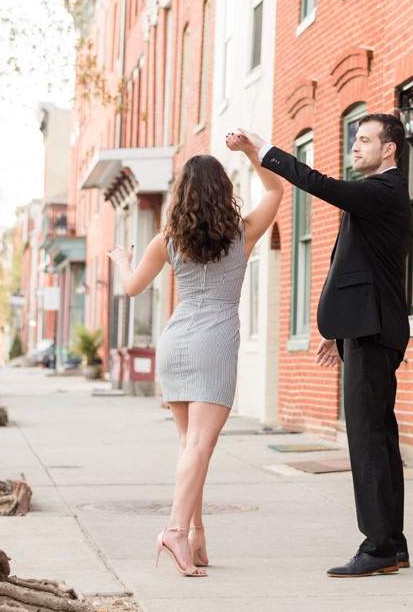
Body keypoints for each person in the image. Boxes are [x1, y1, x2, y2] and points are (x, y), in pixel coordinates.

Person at [229, 115, 413, 578]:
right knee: (380, 437)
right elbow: (355, 263)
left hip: (373, 331)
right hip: (367, 328)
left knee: (368, 439)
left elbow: (319, 184)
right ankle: (393, 542)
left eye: (365, 139)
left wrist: (262, 148)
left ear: (390, 149)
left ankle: (376, 548)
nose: (356, 146)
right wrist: (339, 330)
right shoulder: (379, 195)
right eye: (356, 138)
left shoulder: (384, 190)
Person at [108, 147, 283, 577]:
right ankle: (173, 530)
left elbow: (131, 289)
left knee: (191, 447)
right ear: (224, 191)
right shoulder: (243, 232)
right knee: (200, 447)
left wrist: (122, 262)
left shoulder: (167, 239)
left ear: (182, 195)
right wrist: (251, 151)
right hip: (215, 342)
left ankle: (196, 532)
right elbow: (276, 187)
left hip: (176, 342)